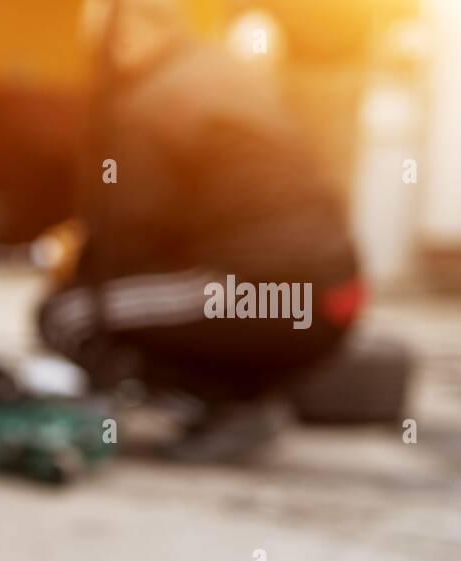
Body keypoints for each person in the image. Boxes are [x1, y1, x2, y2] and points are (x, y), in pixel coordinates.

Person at [39, 0, 365, 461]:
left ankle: (221, 410)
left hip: (267, 289)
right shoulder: (227, 73)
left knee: (68, 314)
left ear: (127, 32)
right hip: (334, 293)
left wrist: (72, 267)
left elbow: (129, 237)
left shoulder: (150, 103)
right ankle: (241, 399)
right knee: (166, 299)